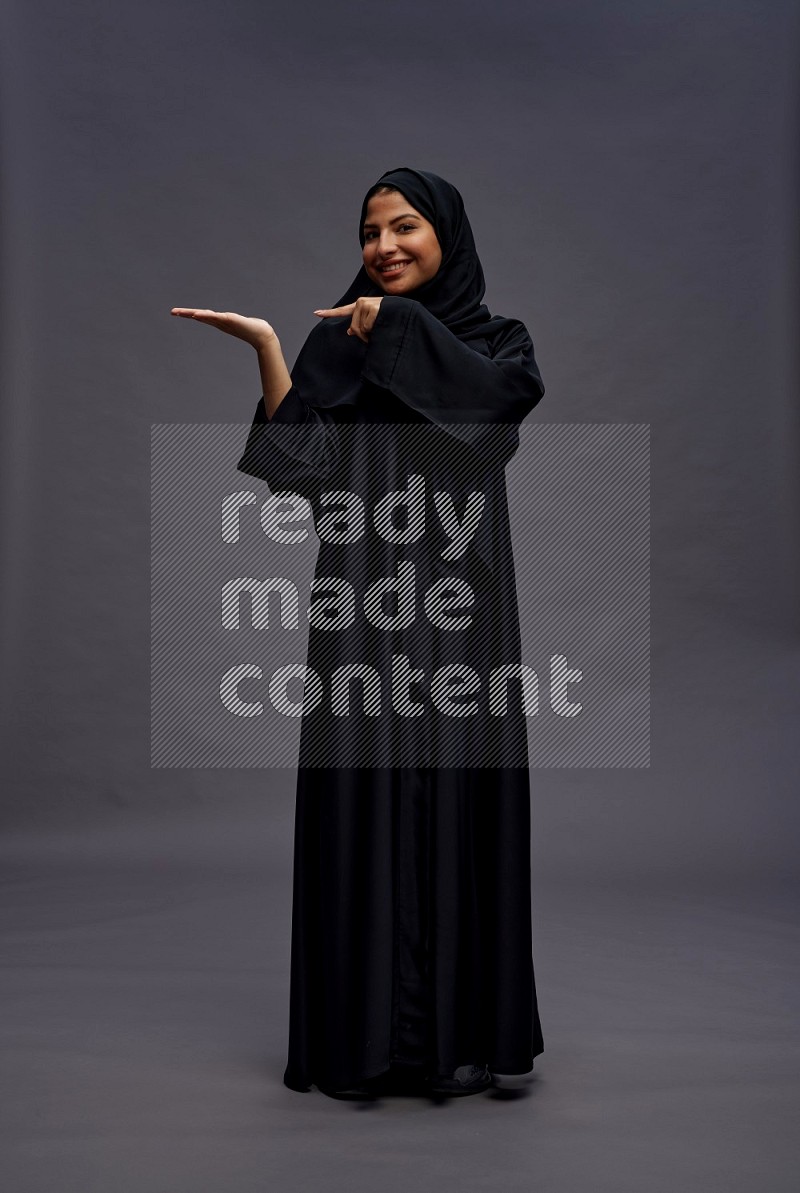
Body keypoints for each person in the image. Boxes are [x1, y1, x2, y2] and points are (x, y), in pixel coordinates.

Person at [171, 166, 546, 1100]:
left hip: (464, 610)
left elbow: (493, 419)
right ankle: (369, 1041)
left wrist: (400, 330)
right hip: (364, 609)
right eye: (369, 233)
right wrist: (268, 350)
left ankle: (456, 1036)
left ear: (446, 236)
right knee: (363, 800)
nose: (382, 247)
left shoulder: (498, 343)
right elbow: (302, 473)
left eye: (404, 226)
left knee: (460, 797)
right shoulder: (340, 339)